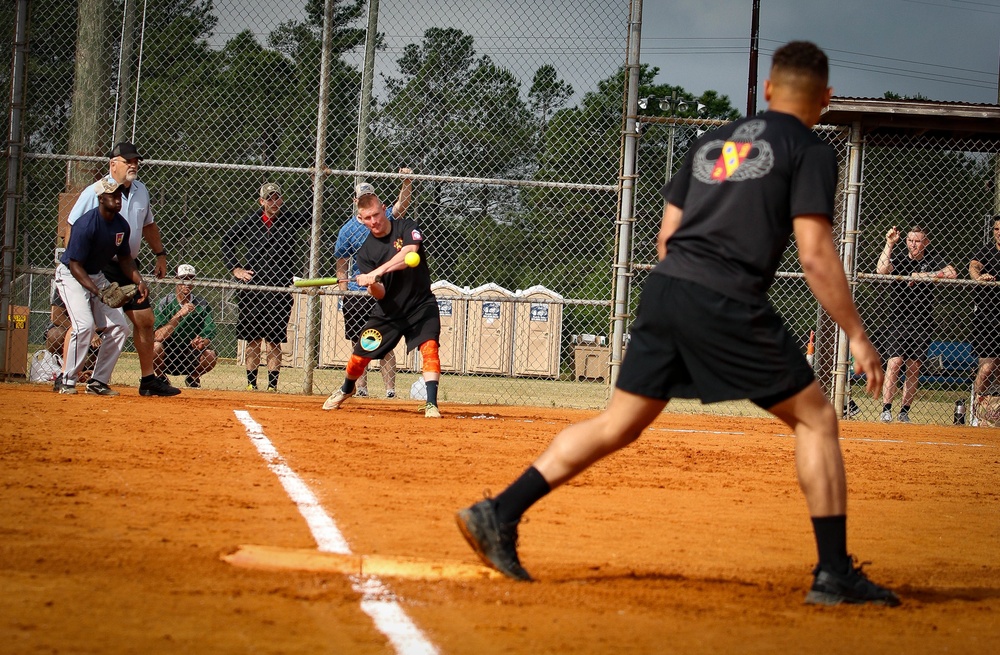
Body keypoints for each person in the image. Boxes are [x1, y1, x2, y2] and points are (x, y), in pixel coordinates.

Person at [455, 41, 900, 607]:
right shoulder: (809, 149)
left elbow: (667, 240)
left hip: (667, 290)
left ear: (767, 90)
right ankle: (834, 574)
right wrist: (857, 335)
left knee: (618, 422)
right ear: (827, 99)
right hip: (726, 297)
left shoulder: (715, 144)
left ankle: (499, 512)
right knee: (816, 419)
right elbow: (814, 253)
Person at [66, 141, 180, 397]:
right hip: (99, 265)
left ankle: (147, 380)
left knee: (145, 320)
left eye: (136, 161)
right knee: (82, 323)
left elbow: (148, 225)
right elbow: (72, 226)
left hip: (127, 263)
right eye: (128, 161)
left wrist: (160, 254)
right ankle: (67, 377)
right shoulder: (95, 191)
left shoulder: (141, 190)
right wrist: (76, 264)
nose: (133, 165)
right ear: (112, 164)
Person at [322, 192, 442, 418]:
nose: (373, 221)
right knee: (360, 355)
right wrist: (372, 283)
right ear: (360, 218)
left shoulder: (406, 227)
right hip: (389, 310)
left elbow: (410, 252)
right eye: (367, 218)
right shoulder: (366, 252)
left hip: (420, 304)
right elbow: (380, 293)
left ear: (384, 209)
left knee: (430, 348)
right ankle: (347, 388)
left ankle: (431, 403)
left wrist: (377, 271)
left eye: (376, 214)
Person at [54, 178, 148, 395]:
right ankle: (67, 380)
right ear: (101, 199)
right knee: (85, 326)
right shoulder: (86, 224)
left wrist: (139, 281)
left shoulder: (120, 226)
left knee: (120, 327)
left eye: (119, 195)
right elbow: (75, 265)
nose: (117, 199)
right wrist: (98, 292)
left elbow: (125, 259)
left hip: (95, 275)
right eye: (112, 196)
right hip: (71, 276)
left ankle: (98, 382)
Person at [333, 169, 414, 398]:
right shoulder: (347, 230)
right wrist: (344, 293)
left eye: (370, 197)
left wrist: (406, 182)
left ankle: (390, 390)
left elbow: (402, 205)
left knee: (385, 342)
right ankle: (361, 389)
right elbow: (341, 263)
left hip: (385, 291)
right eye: (361, 199)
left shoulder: (384, 219)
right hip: (358, 293)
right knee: (360, 343)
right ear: (355, 201)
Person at [222, 182, 310, 392]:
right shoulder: (251, 221)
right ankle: (251, 384)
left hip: (278, 288)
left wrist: (313, 188)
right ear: (261, 201)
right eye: (269, 198)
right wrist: (236, 269)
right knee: (252, 340)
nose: (274, 202)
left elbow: (310, 214)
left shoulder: (289, 220)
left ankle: (272, 386)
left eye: (277, 197)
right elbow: (227, 241)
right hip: (253, 288)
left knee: (274, 340)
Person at [876, 225, 956, 423]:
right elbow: (881, 269)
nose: (913, 244)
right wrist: (889, 243)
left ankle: (904, 412)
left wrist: (921, 276)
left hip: (922, 322)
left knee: (913, 367)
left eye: (918, 241)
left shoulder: (932, 258)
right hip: (898, 320)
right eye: (910, 240)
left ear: (925, 242)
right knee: (894, 363)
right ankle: (886, 409)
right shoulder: (901, 259)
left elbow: (951, 273)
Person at [153, 264, 218, 388]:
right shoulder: (165, 302)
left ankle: (193, 378)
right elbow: (158, 336)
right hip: (167, 351)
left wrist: (201, 342)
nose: (187, 283)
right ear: (176, 279)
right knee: (155, 347)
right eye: (184, 279)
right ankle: (161, 376)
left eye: (190, 279)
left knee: (210, 355)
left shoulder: (202, 305)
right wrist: (179, 315)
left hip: (190, 352)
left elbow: (209, 333)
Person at [969, 216, 1000, 425]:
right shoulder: (987, 251)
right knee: (987, 367)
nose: (999, 232)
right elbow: (973, 266)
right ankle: (975, 407)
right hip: (987, 318)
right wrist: (980, 277)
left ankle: (991, 415)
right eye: (996, 229)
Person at [46, 286, 101, 387]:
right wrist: (85, 330)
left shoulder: (102, 283)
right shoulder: (67, 283)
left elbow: (110, 320)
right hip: (69, 326)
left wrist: (92, 330)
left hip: (96, 328)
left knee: (112, 334)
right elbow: (56, 316)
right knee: (55, 335)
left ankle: (92, 373)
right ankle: (61, 370)